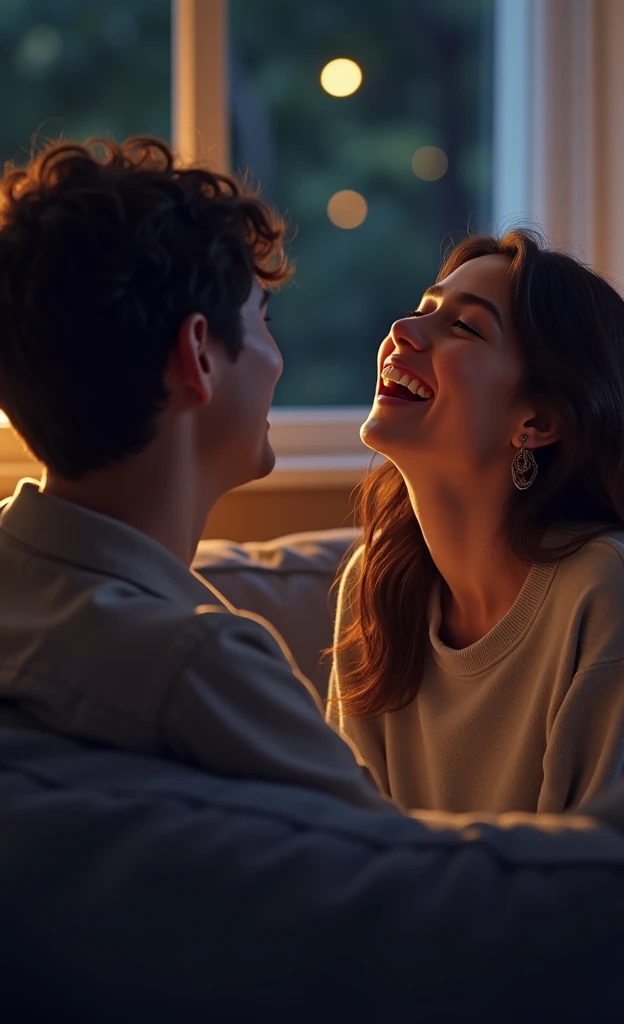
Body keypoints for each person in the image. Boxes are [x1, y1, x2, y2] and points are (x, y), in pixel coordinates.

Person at [0, 135, 390, 814]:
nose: (275, 358)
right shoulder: (198, 663)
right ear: (200, 358)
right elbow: (410, 877)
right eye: (261, 321)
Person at [327, 229, 624, 814]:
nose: (403, 330)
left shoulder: (618, 589)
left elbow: (598, 885)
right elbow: (351, 846)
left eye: (463, 327)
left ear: (539, 420)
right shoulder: (376, 579)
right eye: (424, 309)